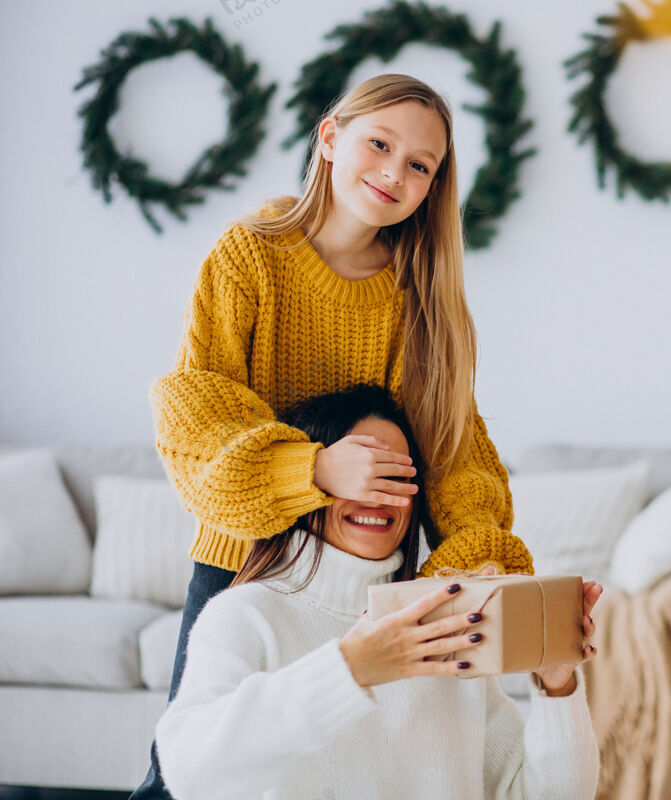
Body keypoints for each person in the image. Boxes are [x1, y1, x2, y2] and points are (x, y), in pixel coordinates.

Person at [132, 73, 533, 798]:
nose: (394, 172)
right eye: (379, 144)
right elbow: (199, 413)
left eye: (420, 166)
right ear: (329, 138)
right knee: (182, 777)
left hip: (370, 573)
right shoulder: (250, 254)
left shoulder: (424, 298)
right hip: (248, 561)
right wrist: (314, 469)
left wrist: (476, 557)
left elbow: (454, 452)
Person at [155, 384, 602, 799]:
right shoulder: (247, 616)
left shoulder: (447, 620)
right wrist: (348, 670)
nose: (379, 496)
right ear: (315, 482)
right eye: (361, 473)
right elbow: (190, 772)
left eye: (398, 478)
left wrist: (558, 685)